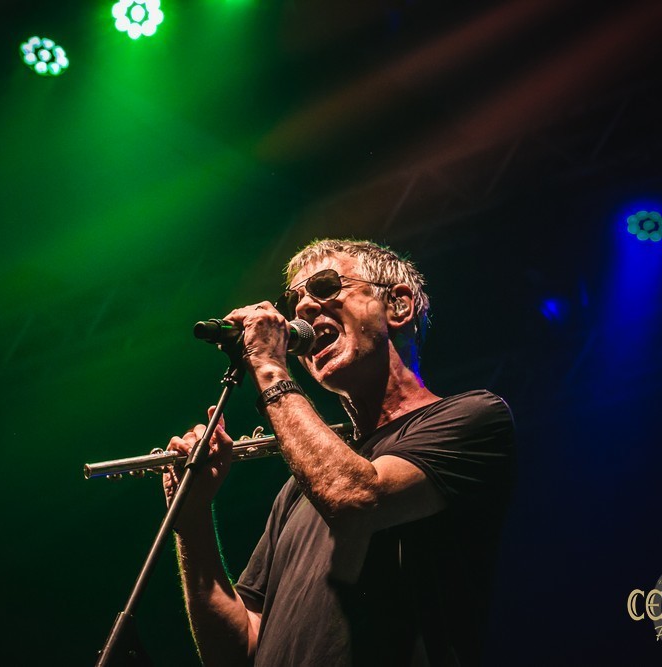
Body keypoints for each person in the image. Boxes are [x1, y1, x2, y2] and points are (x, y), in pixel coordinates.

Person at [162, 238, 516, 666]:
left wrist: (269, 367)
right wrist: (192, 520)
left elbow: (356, 498)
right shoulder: (299, 489)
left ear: (398, 306)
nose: (302, 309)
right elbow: (237, 651)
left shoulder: (474, 417)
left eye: (326, 286)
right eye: (293, 301)